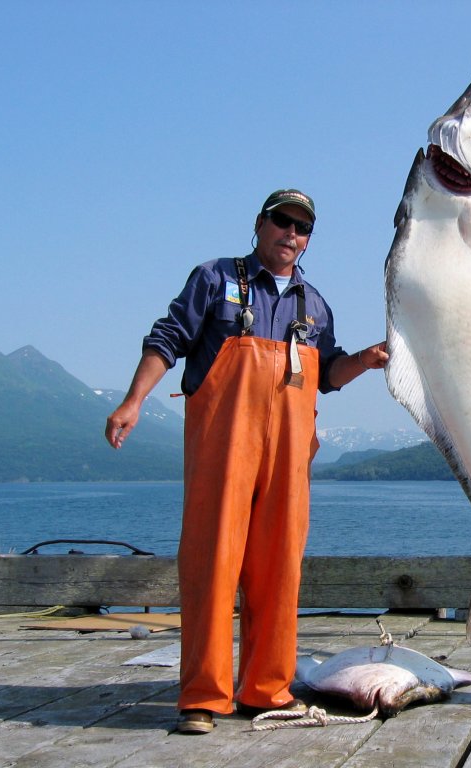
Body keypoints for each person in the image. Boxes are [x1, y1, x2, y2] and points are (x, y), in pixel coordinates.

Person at [104, 189, 388, 735]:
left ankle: (267, 689)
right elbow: (168, 337)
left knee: (279, 564)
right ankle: (204, 697)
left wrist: (365, 362)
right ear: (260, 224)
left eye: (303, 228)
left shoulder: (316, 303)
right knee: (212, 562)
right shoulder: (215, 278)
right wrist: (133, 400)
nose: (292, 234)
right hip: (222, 444)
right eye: (283, 221)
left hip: (289, 451)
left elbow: (326, 375)